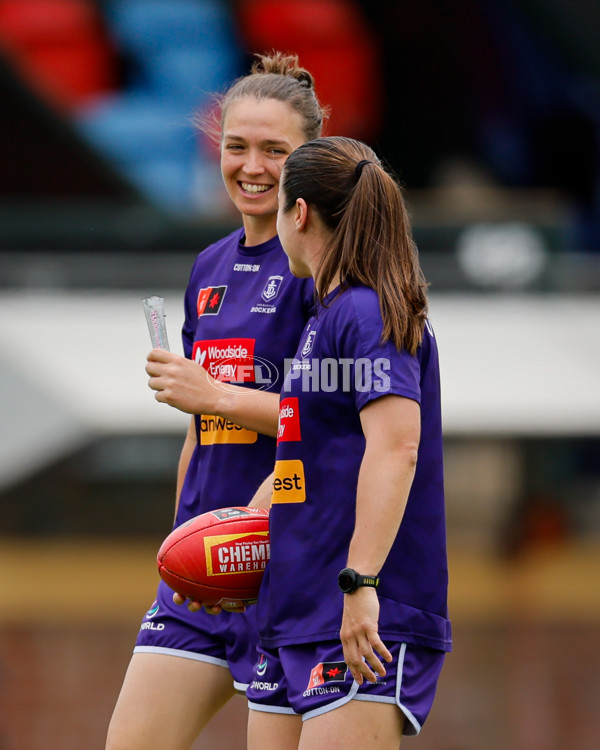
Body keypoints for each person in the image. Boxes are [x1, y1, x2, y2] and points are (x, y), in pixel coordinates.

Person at [105, 52, 327, 750]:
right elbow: (200, 429)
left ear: (310, 158)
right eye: (237, 147)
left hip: (286, 562)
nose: (252, 166)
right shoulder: (209, 263)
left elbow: (332, 424)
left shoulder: (323, 266)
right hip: (206, 567)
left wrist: (216, 394)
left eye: (275, 150)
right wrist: (179, 537)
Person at [245, 136, 452, 750]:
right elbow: (302, 456)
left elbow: (397, 449)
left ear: (299, 212)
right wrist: (243, 534)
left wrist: (361, 585)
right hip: (296, 605)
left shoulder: (365, 312)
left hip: (360, 612)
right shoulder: (322, 317)